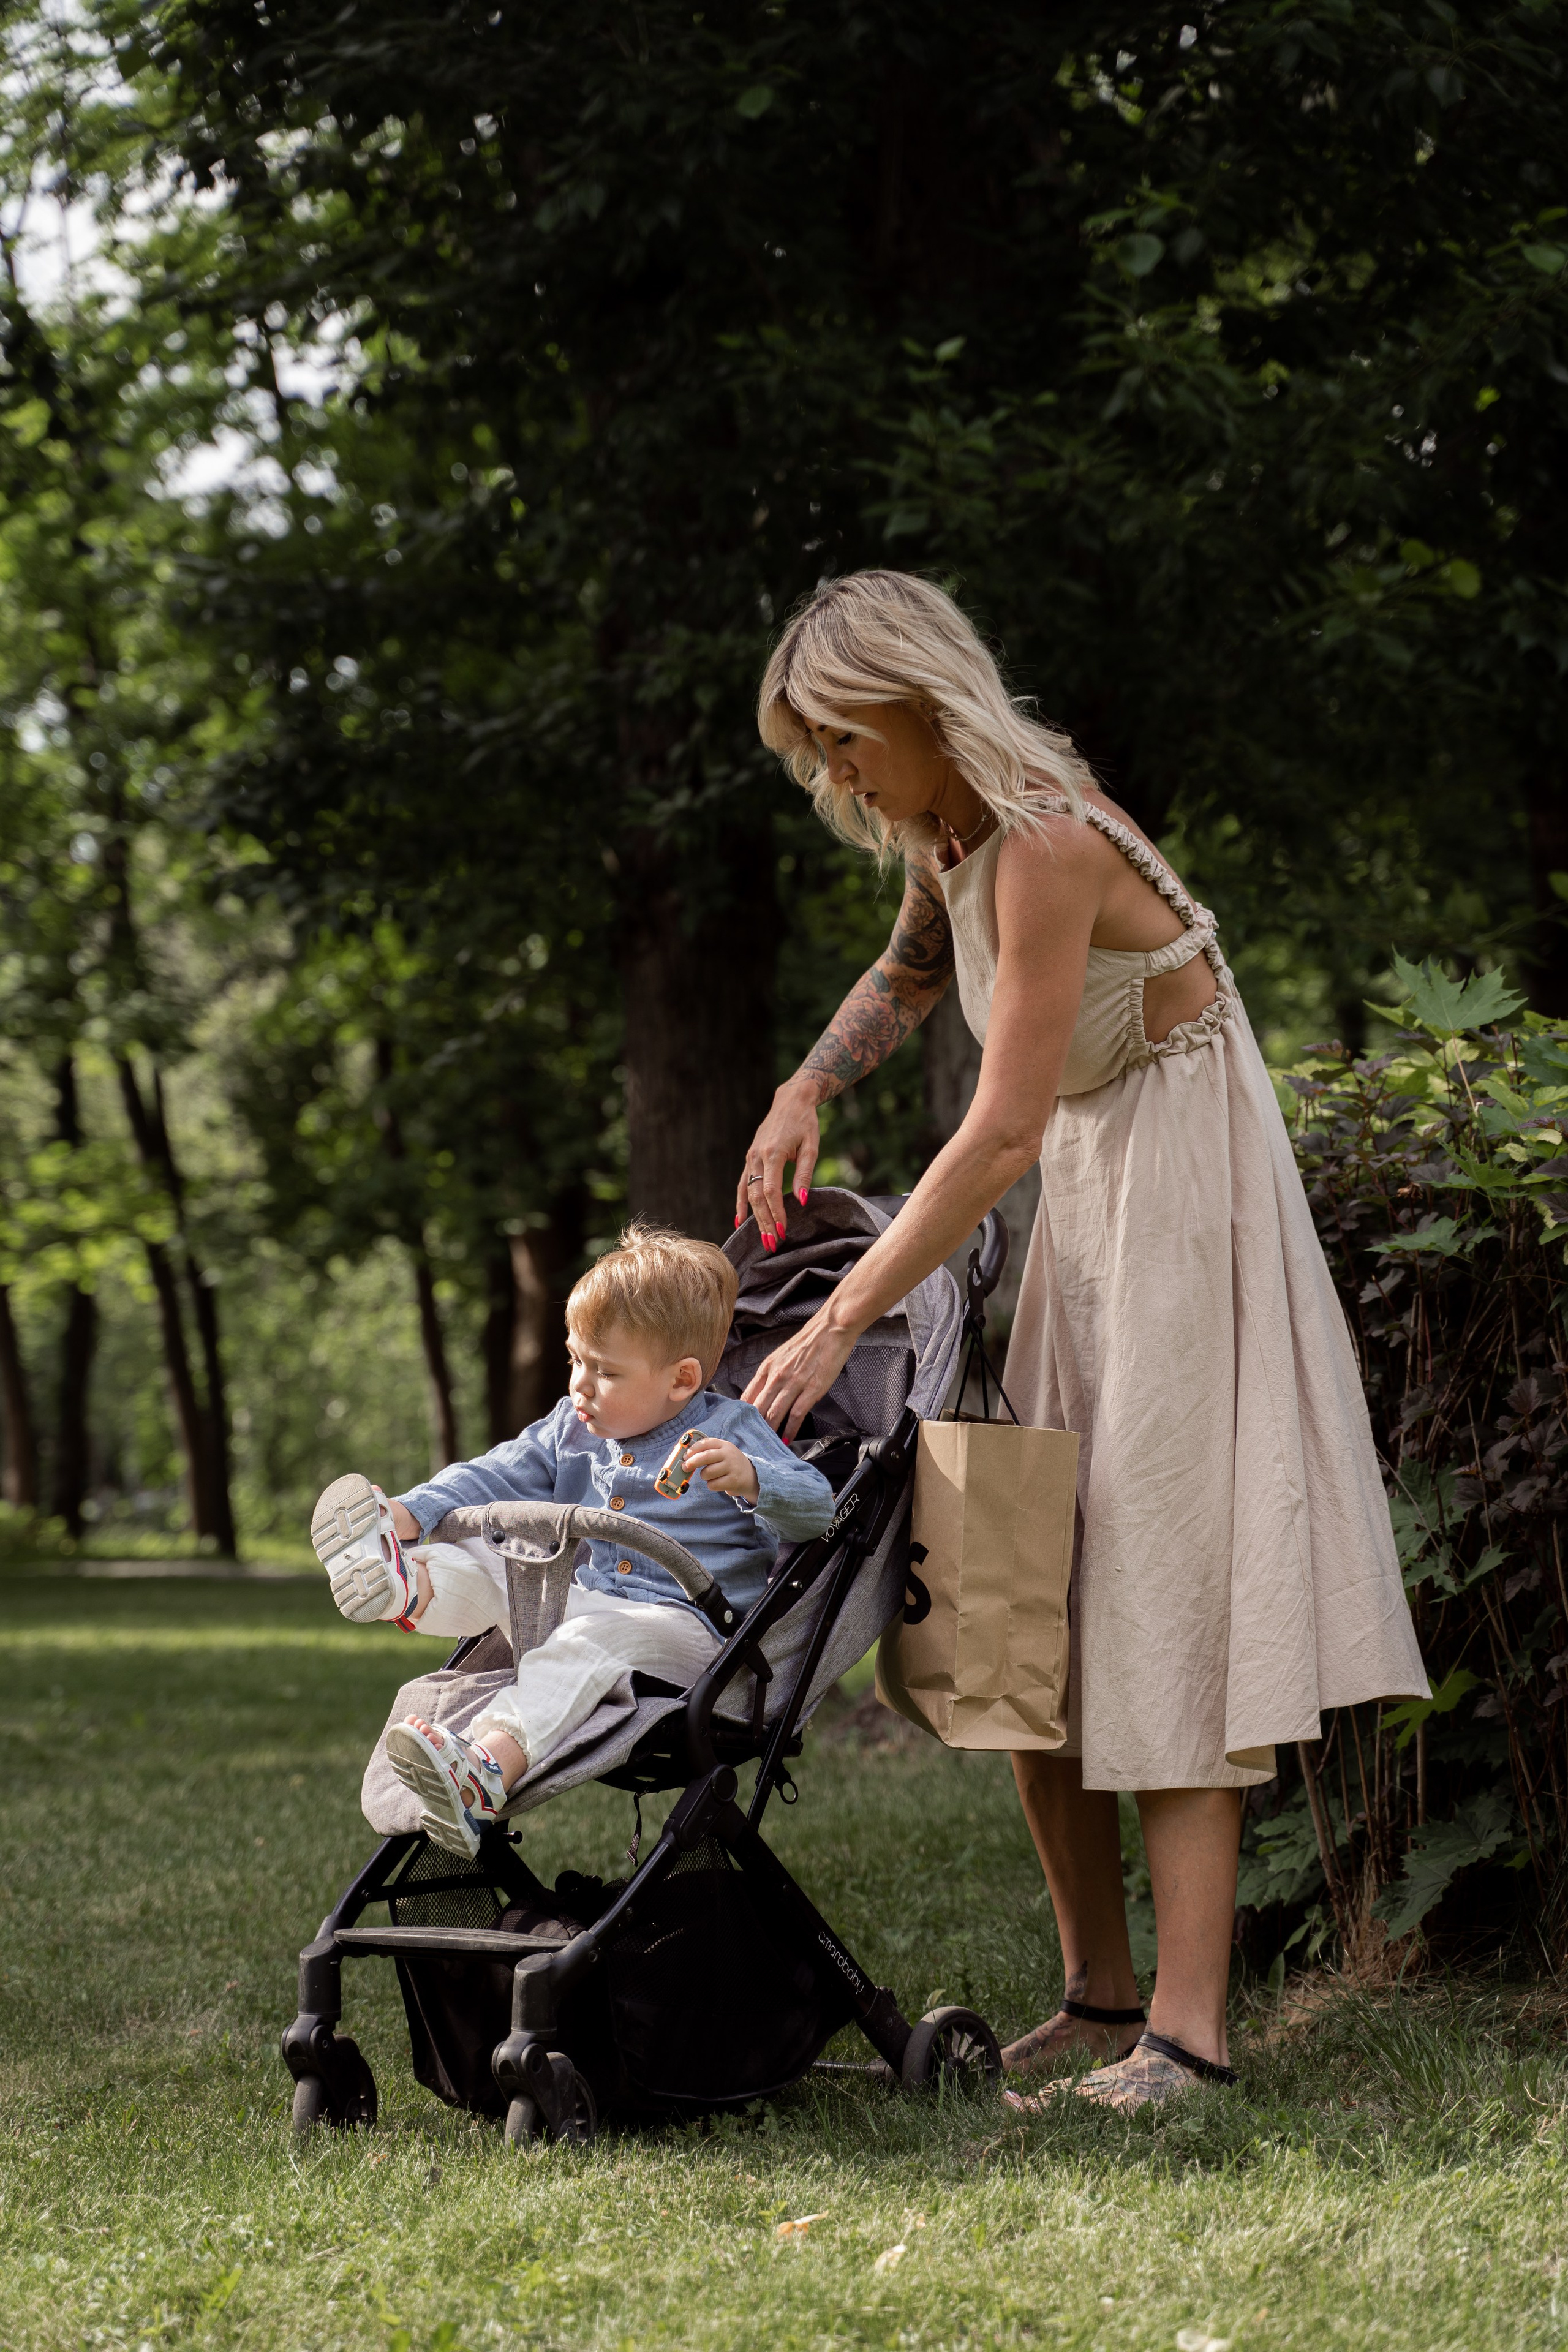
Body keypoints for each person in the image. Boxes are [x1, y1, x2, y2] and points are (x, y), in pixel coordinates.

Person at [735, 570, 1427, 2113]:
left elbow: (997, 1131)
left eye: (846, 742)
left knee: (1164, 1579)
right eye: (819, 758)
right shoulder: (955, 834)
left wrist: (840, 1312)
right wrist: (804, 1086)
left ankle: (1187, 2035)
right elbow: (915, 969)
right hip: (1101, 1191)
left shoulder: (1045, 836)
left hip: (1180, 1193)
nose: (838, 781)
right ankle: (1098, 1992)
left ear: (919, 697)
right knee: (1020, 1587)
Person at [311, 1223, 835, 1857]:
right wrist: (413, 1510)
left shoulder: (731, 1430)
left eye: (604, 1371)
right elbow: (494, 1472)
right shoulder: (571, 1426)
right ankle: (405, 1581)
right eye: (575, 1360)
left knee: (587, 1642)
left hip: (691, 1632)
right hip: (582, 1599)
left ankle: (486, 1771)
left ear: (681, 1380)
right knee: (490, 1554)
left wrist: (755, 1480)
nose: (579, 1385)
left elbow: (819, 1512)